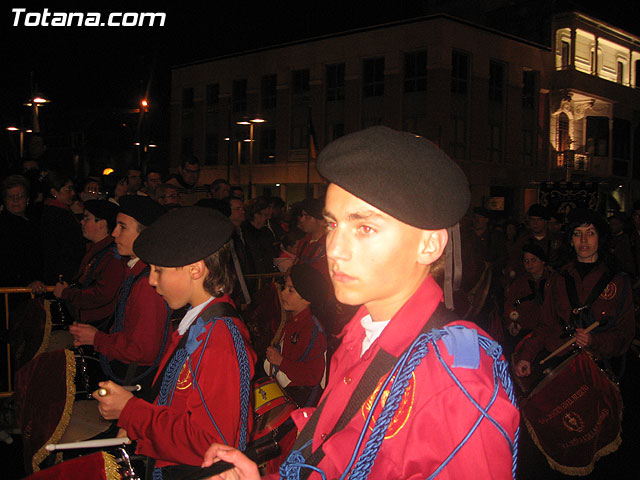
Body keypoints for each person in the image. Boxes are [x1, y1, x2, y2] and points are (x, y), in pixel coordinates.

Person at [202, 126, 519, 479]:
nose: (335, 248)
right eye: (333, 224)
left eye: (364, 228)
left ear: (428, 245)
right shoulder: (360, 333)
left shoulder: (453, 378)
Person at [93, 206, 256, 476]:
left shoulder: (219, 341)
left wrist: (132, 412)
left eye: (158, 270)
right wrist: (136, 420)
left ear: (195, 269)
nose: (152, 281)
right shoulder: (197, 324)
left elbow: (216, 445)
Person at [513, 208, 635, 378]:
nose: (583, 240)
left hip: (600, 366)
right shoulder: (559, 278)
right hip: (562, 361)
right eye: (577, 234)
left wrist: (594, 340)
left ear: (600, 238)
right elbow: (545, 324)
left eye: (590, 233)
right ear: (571, 240)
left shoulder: (618, 281)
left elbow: (625, 333)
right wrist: (527, 357)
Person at [69, 195, 169, 386]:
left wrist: (97, 338)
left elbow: (143, 351)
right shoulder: (134, 271)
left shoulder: (148, 283)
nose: (114, 233)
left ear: (145, 234)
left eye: (122, 227)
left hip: (139, 379)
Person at [265, 263, 329, 407]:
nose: (283, 293)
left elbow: (313, 376)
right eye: (285, 288)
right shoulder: (291, 318)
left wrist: (281, 361)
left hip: (297, 400)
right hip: (282, 387)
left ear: (306, 299)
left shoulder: (312, 331)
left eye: (290, 290)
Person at [53, 200, 125, 326]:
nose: (82, 222)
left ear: (102, 224)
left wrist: (67, 293)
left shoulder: (112, 257)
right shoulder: (94, 250)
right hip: (88, 322)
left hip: (98, 326)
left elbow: (101, 295)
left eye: (87, 218)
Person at [39, 171, 85, 284]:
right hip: (61, 276)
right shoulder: (58, 215)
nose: (73, 193)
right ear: (54, 192)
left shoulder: (51, 211)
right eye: (68, 189)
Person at [0, 174, 42, 288]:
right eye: (11, 197)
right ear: (5, 200)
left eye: (20, 196)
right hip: (13, 289)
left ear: (27, 199)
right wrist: (28, 281)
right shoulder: (4, 226)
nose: (16, 200)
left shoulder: (35, 222)